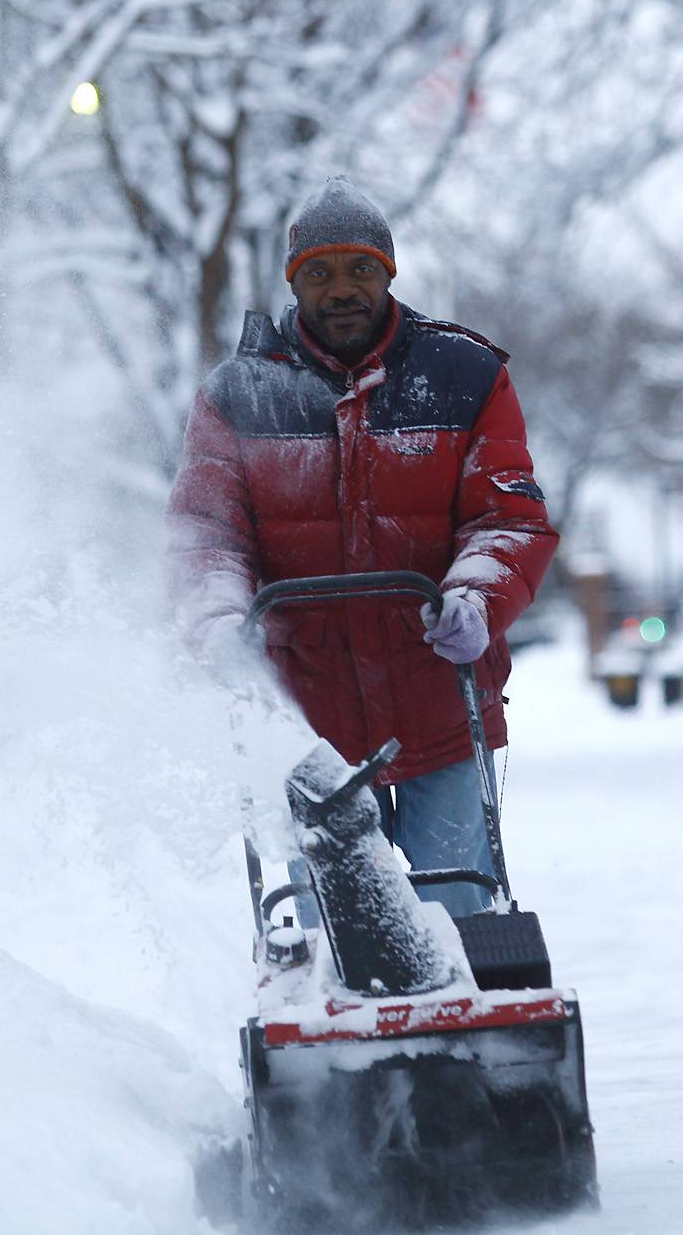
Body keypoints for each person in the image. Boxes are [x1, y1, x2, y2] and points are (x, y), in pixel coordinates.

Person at [166, 176, 557, 917]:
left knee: (461, 913)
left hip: (441, 702)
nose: (340, 289)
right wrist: (218, 621)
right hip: (306, 717)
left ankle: (470, 1024)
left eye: (359, 270)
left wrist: (476, 594)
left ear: (388, 272)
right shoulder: (239, 395)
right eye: (319, 272)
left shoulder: (464, 376)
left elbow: (507, 517)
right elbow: (206, 538)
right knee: (340, 933)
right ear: (293, 281)